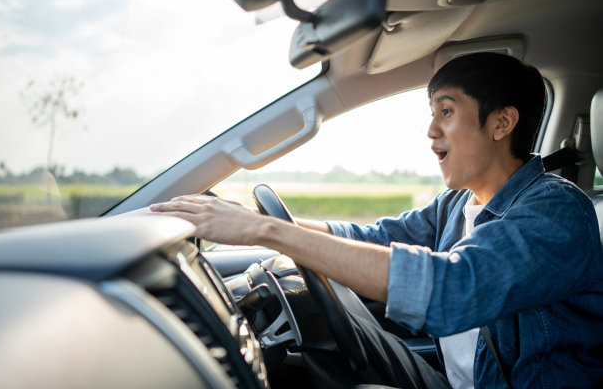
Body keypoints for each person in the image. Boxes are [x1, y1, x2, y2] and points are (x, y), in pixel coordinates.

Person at [150, 52, 603, 388]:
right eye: (432, 114)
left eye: (446, 112)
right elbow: (377, 237)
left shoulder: (556, 212)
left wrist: (267, 232)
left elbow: (451, 288)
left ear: (502, 123)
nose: (431, 131)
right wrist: (252, 218)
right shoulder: (459, 202)